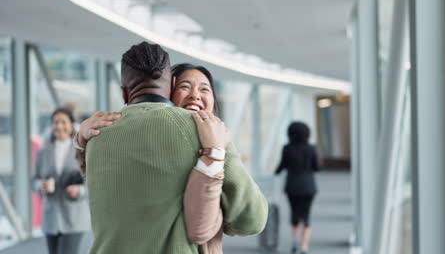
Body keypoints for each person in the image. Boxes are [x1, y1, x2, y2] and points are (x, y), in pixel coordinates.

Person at [79, 42, 268, 254]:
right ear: (171, 86)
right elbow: (253, 220)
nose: (195, 95)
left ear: (125, 93)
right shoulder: (208, 136)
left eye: (204, 88)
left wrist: (79, 141)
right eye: (185, 87)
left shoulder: (96, 134)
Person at [32, 108, 90, 254]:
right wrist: (41, 186)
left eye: (63, 122)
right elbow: (33, 179)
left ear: (71, 125)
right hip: (51, 217)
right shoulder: (42, 152)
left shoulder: (83, 150)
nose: (59, 126)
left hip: (74, 216)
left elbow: (93, 181)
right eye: (55, 122)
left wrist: (80, 190)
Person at [275, 122, 320, 254]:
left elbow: (280, 167)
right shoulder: (311, 148)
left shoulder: (287, 148)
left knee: (294, 214)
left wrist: (274, 172)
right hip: (308, 187)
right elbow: (316, 168)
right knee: (306, 215)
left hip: (292, 187)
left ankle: (294, 242)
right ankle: (304, 246)